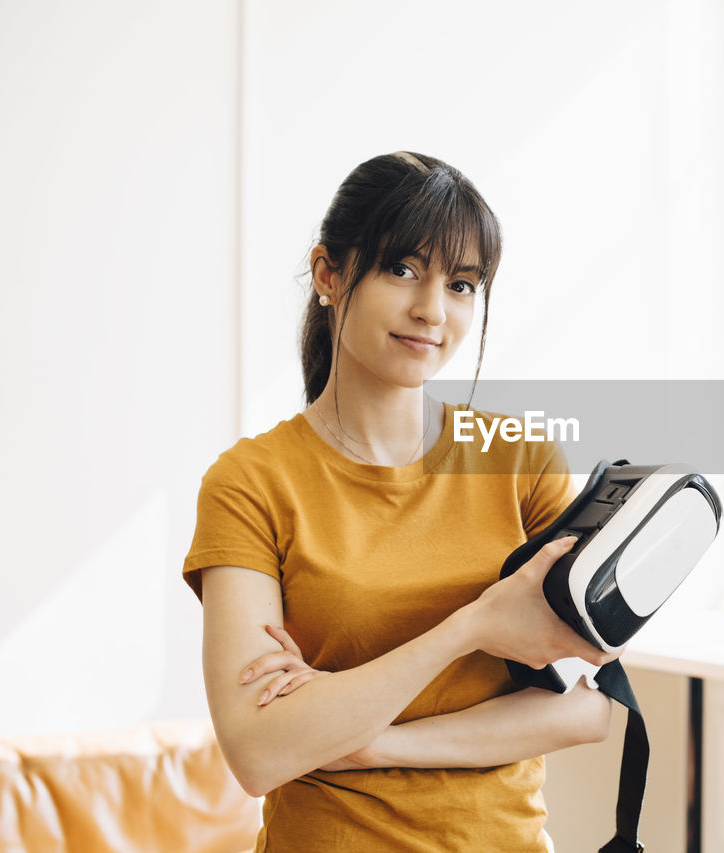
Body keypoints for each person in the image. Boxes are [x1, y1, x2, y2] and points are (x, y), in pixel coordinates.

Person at [182, 151, 615, 852]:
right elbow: (259, 752)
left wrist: (357, 736)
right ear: (328, 273)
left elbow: (587, 710)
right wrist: (472, 626)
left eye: (463, 284)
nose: (431, 310)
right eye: (402, 268)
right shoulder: (250, 483)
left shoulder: (521, 463)